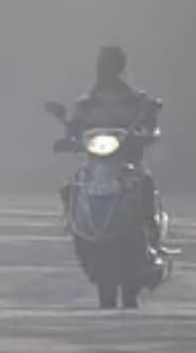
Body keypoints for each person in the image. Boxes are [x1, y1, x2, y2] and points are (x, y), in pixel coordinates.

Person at [66, 46, 163, 247]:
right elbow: (75, 126)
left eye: (110, 65)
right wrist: (69, 138)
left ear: (119, 68)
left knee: (144, 181)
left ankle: (151, 230)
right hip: (95, 162)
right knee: (73, 184)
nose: (105, 70)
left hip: (127, 160)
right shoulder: (86, 102)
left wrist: (147, 134)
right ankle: (74, 225)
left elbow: (150, 122)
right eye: (103, 65)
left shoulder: (136, 99)